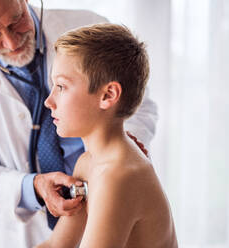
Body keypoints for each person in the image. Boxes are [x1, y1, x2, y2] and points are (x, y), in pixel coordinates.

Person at [0, 0, 158, 247]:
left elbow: (137, 104)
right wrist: (33, 187)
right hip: (28, 231)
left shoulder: (115, 176)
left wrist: (116, 150)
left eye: (15, 22)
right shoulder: (87, 164)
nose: (11, 43)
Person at [36, 23, 177, 247]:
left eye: (61, 86)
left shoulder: (119, 175)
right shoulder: (88, 162)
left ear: (108, 95)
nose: (49, 101)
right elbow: (56, 245)